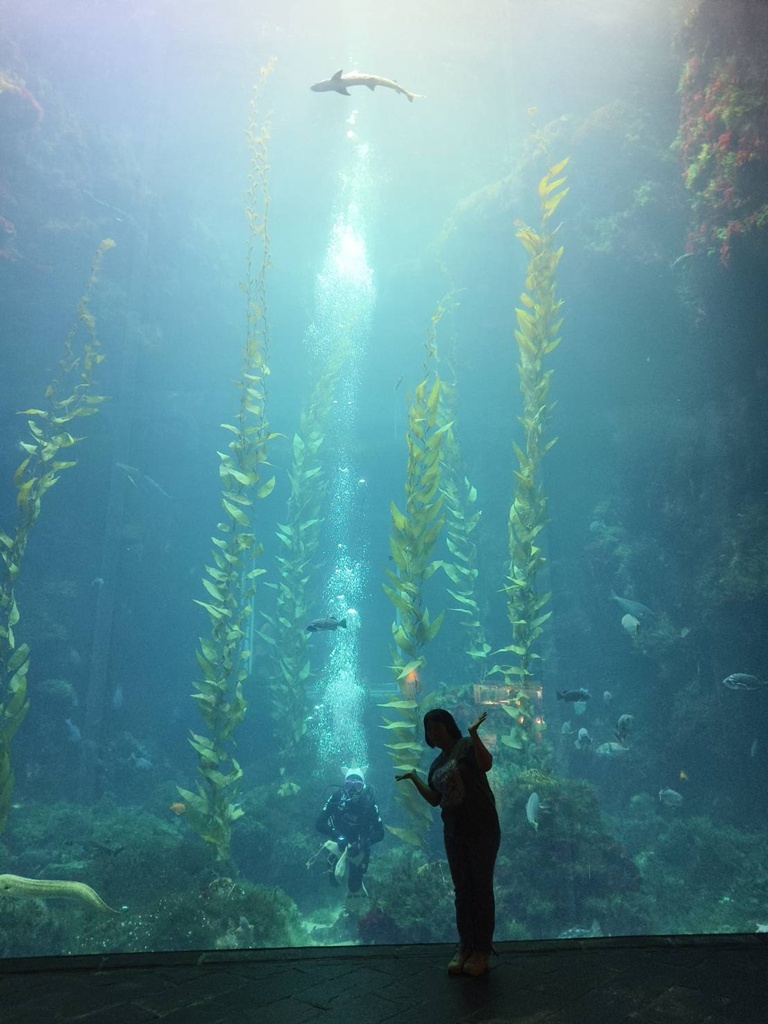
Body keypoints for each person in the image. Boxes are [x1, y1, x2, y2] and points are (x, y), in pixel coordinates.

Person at [396, 708, 500, 977]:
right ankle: (464, 946)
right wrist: (414, 777)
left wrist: (474, 734)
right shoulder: (435, 765)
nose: (433, 732)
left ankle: (482, 951)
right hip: (454, 832)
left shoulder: (465, 746)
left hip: (482, 827)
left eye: (437, 726)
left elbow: (486, 764)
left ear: (448, 726)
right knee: (463, 892)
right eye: (429, 729)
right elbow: (434, 799)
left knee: (481, 889)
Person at [315, 768, 384, 910]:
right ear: (344, 785)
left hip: (359, 846)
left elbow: (380, 833)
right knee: (334, 880)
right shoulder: (337, 798)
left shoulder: (369, 802)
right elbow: (319, 823)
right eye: (348, 785)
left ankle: (355, 900)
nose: (352, 790)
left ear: (363, 786)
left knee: (354, 886)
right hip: (338, 843)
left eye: (357, 785)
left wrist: (362, 843)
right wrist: (337, 836)